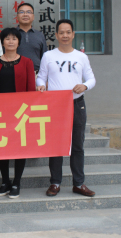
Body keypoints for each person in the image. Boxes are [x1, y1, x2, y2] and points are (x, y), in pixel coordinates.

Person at [37, 19, 97, 198]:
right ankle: (55, 182)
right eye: (61, 32)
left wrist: (84, 86)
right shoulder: (48, 56)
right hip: (55, 105)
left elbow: (91, 79)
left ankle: (78, 183)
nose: (65, 35)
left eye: (68, 32)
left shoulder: (81, 57)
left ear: (73, 34)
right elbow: (41, 77)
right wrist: (40, 85)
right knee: (56, 145)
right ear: (56, 35)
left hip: (77, 104)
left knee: (77, 145)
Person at [0, 27, 36, 199]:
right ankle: (5, 181)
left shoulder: (27, 62)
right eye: (7, 38)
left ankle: (17, 182)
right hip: (0, 112)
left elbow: (31, 89)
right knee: (2, 147)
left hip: (20, 112)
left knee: (19, 147)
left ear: (18, 42)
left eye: (14, 38)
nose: (10, 41)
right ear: (2, 42)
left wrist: (29, 111)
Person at [15, 2, 47, 74]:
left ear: (33, 16)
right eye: (22, 12)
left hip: (36, 74)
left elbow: (44, 57)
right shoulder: (11, 34)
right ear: (17, 16)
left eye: (28, 12)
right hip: (15, 74)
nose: (25, 14)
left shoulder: (39, 35)